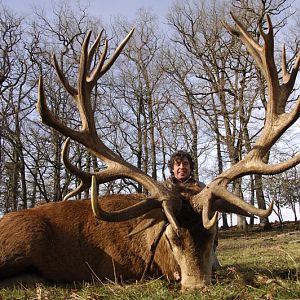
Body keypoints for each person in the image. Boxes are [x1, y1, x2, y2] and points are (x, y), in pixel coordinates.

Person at [164, 150, 220, 271]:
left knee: (213, 268)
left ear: (190, 167)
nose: (181, 167)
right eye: (177, 164)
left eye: (185, 164)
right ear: (172, 168)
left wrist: (211, 245)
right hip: (174, 236)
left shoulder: (202, 188)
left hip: (198, 236)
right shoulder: (164, 189)